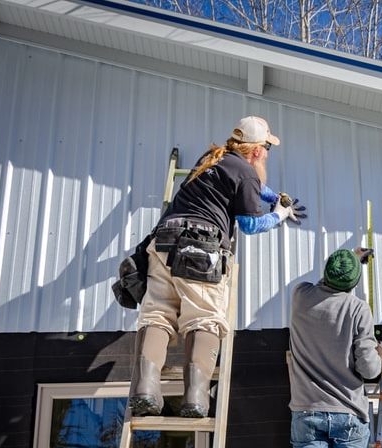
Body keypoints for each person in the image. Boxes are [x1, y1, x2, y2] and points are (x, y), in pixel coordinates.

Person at [129, 116, 306, 418]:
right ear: (256, 151)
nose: (267, 154)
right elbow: (250, 224)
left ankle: (145, 390)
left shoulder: (212, 158)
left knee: (157, 314)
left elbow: (248, 185)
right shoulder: (247, 173)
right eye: (267, 148)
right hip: (200, 249)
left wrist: (274, 196)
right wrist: (279, 213)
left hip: (163, 242)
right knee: (204, 318)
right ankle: (196, 399)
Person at [288, 248, 382, 448]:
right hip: (348, 414)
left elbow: (322, 285)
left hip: (307, 411)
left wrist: (349, 258)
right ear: (354, 283)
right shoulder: (358, 309)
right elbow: (369, 369)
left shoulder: (300, 295)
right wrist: (380, 356)